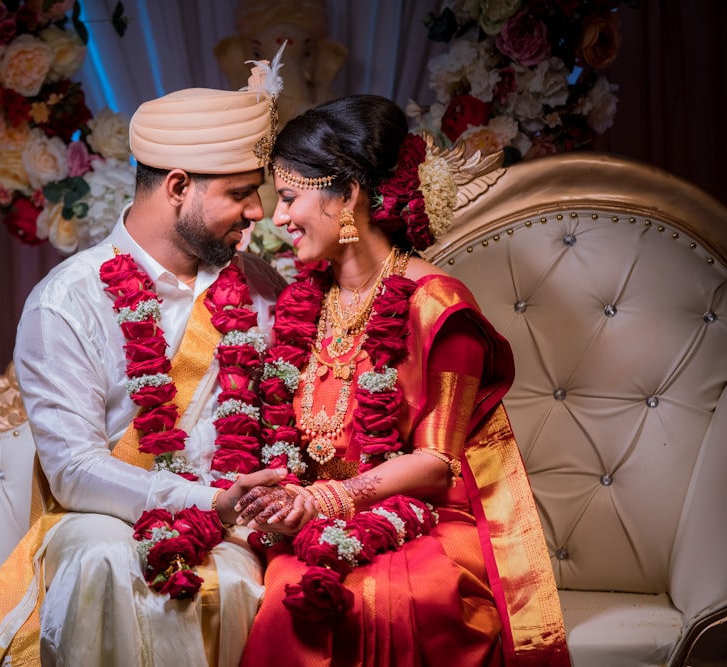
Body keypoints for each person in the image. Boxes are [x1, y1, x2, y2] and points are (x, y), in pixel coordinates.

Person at [0, 70, 289, 666]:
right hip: (103, 522)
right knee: (110, 562)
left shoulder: (262, 290)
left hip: (232, 530)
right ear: (178, 185)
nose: (258, 212)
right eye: (239, 192)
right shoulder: (67, 301)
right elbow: (74, 470)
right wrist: (207, 500)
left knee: (231, 581)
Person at [233, 95, 571, 666]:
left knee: (375, 600)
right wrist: (285, 494)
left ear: (348, 194)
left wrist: (325, 498)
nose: (278, 218)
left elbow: (437, 463)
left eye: (289, 197)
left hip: (425, 523)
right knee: (290, 594)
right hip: (317, 519)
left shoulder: (437, 305)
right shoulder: (304, 300)